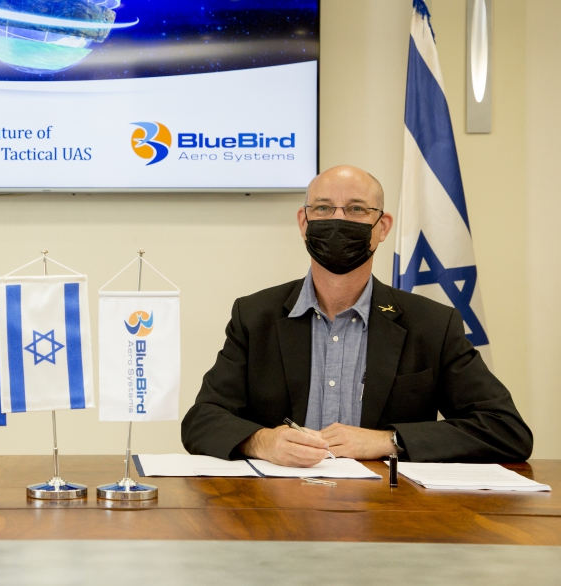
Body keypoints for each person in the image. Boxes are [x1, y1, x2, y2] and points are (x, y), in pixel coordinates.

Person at [182, 165, 533, 466]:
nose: (338, 220)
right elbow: (202, 420)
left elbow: (506, 430)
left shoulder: (431, 324)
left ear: (382, 227)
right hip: (277, 506)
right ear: (304, 222)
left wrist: (387, 441)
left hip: (390, 509)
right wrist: (261, 442)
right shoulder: (254, 316)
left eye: (356, 209)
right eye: (323, 208)